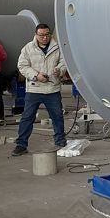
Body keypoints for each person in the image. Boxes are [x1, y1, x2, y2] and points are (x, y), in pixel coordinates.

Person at [12, 23, 67, 156]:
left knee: (57, 116)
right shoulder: (28, 48)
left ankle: (60, 141)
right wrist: (36, 76)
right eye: (41, 35)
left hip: (52, 89)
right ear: (36, 35)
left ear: (50, 34)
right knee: (27, 117)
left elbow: (64, 62)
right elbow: (22, 65)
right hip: (34, 89)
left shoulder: (57, 47)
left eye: (47, 34)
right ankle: (21, 144)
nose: (44, 37)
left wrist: (59, 70)